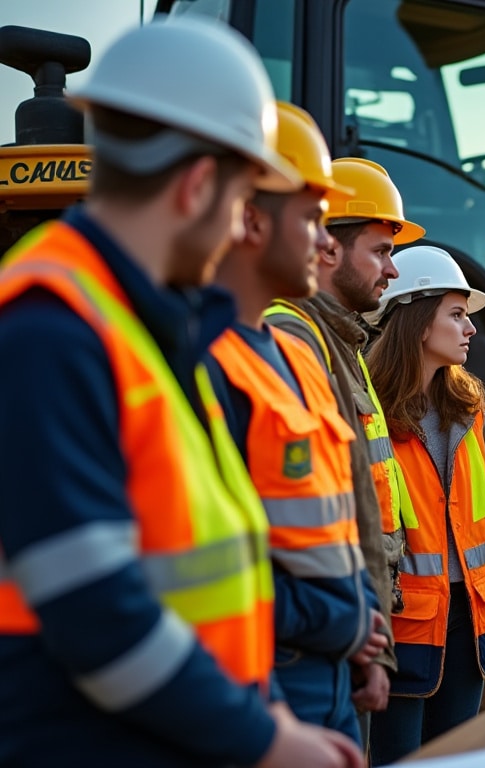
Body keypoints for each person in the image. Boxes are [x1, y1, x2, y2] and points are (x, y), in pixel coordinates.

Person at [0, 17, 361, 767]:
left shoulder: (144, 325)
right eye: (241, 201)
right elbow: (98, 615)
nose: (241, 227)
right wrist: (268, 740)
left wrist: (259, 713)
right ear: (199, 186)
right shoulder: (52, 332)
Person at [206, 102, 388, 742]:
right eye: (314, 219)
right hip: (278, 673)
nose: (326, 242)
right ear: (251, 218)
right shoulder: (209, 362)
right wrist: (347, 622)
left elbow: (345, 510)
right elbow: (206, 569)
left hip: (333, 663)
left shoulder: (291, 353)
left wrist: (364, 633)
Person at [264, 156, 426, 726]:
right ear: (329, 248)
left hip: (345, 631)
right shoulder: (294, 341)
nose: (393, 271)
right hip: (314, 643)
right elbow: (314, 518)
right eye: (381, 251)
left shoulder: (342, 344)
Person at [364, 246, 485, 764]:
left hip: (470, 619)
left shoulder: (469, 410)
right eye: (457, 315)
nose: (471, 328)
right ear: (416, 321)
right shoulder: (367, 415)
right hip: (401, 626)